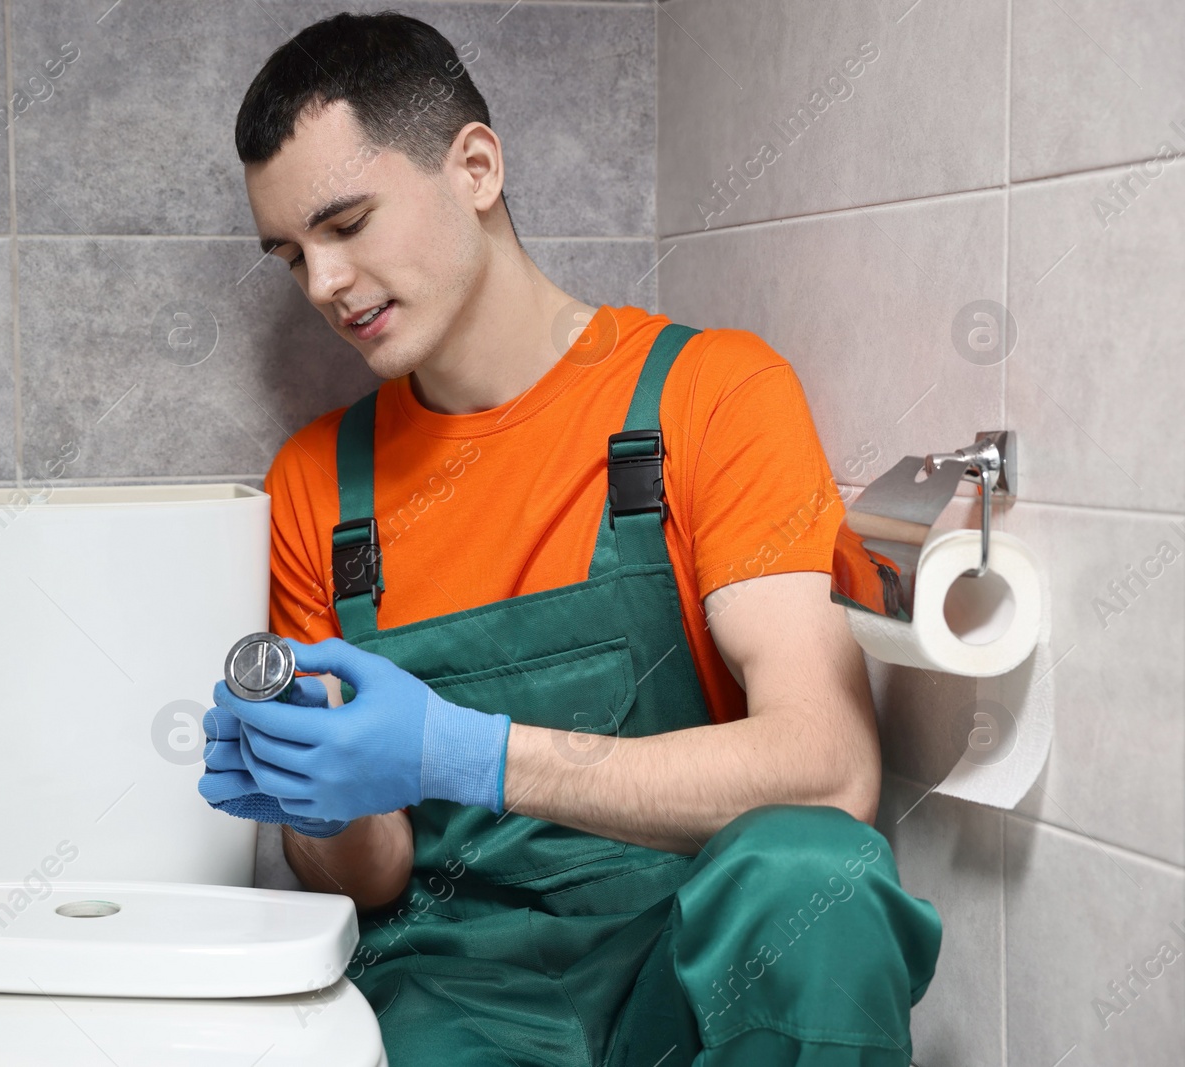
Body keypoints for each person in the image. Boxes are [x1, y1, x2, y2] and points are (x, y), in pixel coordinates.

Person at [198, 11, 942, 1065]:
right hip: (453, 991)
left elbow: (826, 769)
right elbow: (371, 875)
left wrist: (470, 751)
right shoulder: (321, 483)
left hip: (690, 974)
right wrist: (313, 793)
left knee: (813, 873)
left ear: (475, 167)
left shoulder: (711, 394)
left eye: (348, 223)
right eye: (290, 257)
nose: (322, 284)